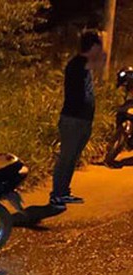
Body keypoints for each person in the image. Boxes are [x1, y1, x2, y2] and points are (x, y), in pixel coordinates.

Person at [50, 30, 105, 209]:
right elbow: (96, 63)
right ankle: (57, 194)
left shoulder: (83, 64)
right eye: (98, 46)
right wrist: (100, 49)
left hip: (82, 120)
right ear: (93, 46)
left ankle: (63, 192)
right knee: (66, 158)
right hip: (72, 120)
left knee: (72, 158)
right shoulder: (77, 63)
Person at [104, 66, 133, 168]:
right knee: (122, 111)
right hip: (129, 105)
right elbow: (121, 78)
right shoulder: (130, 74)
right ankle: (114, 141)